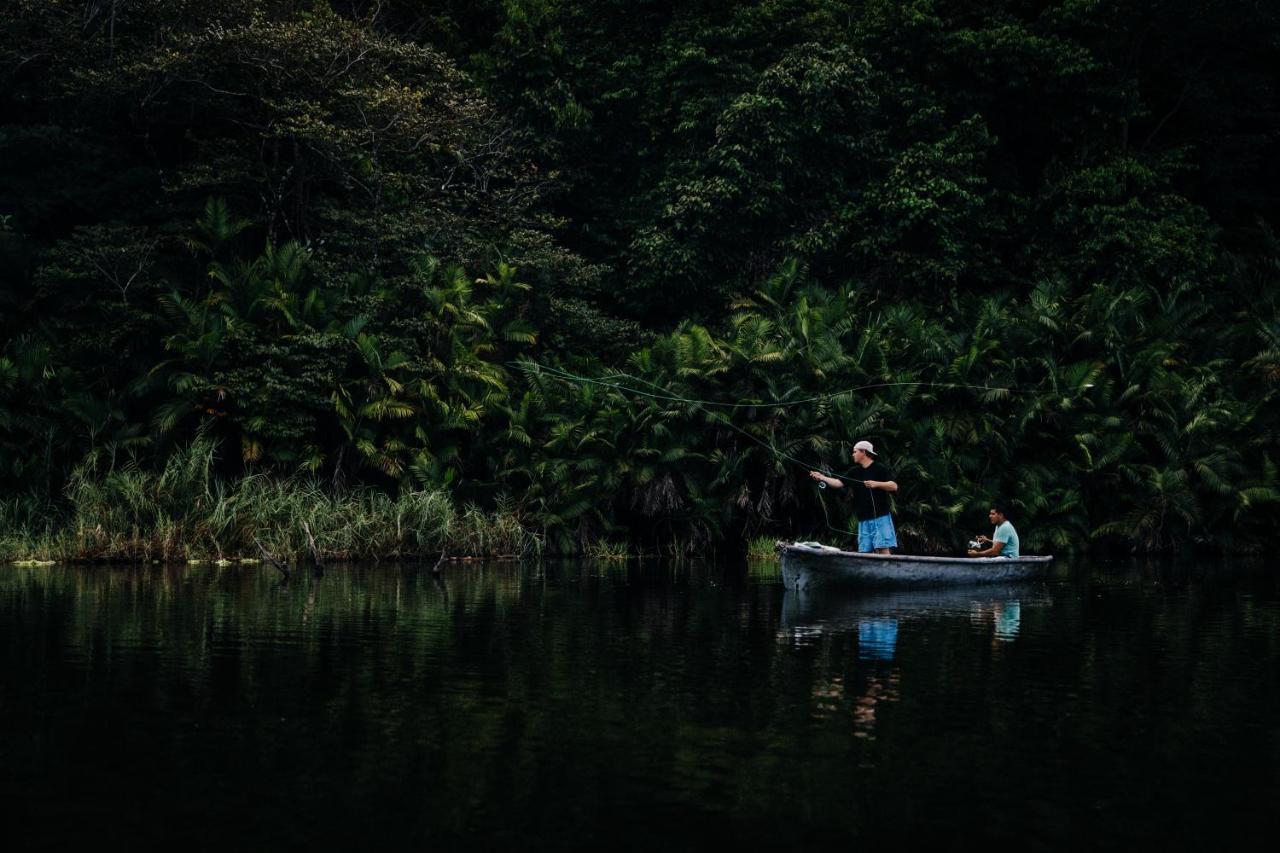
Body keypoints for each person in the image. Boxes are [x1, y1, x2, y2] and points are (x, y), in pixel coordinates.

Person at [809, 440, 898, 554]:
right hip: (863, 519)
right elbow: (838, 483)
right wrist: (822, 477)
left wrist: (876, 484)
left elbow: (894, 486)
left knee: (883, 548)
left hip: (880, 517)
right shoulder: (854, 471)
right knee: (865, 551)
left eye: (855, 451)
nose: (853, 454)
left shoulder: (879, 468)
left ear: (864, 452)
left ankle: (887, 571)